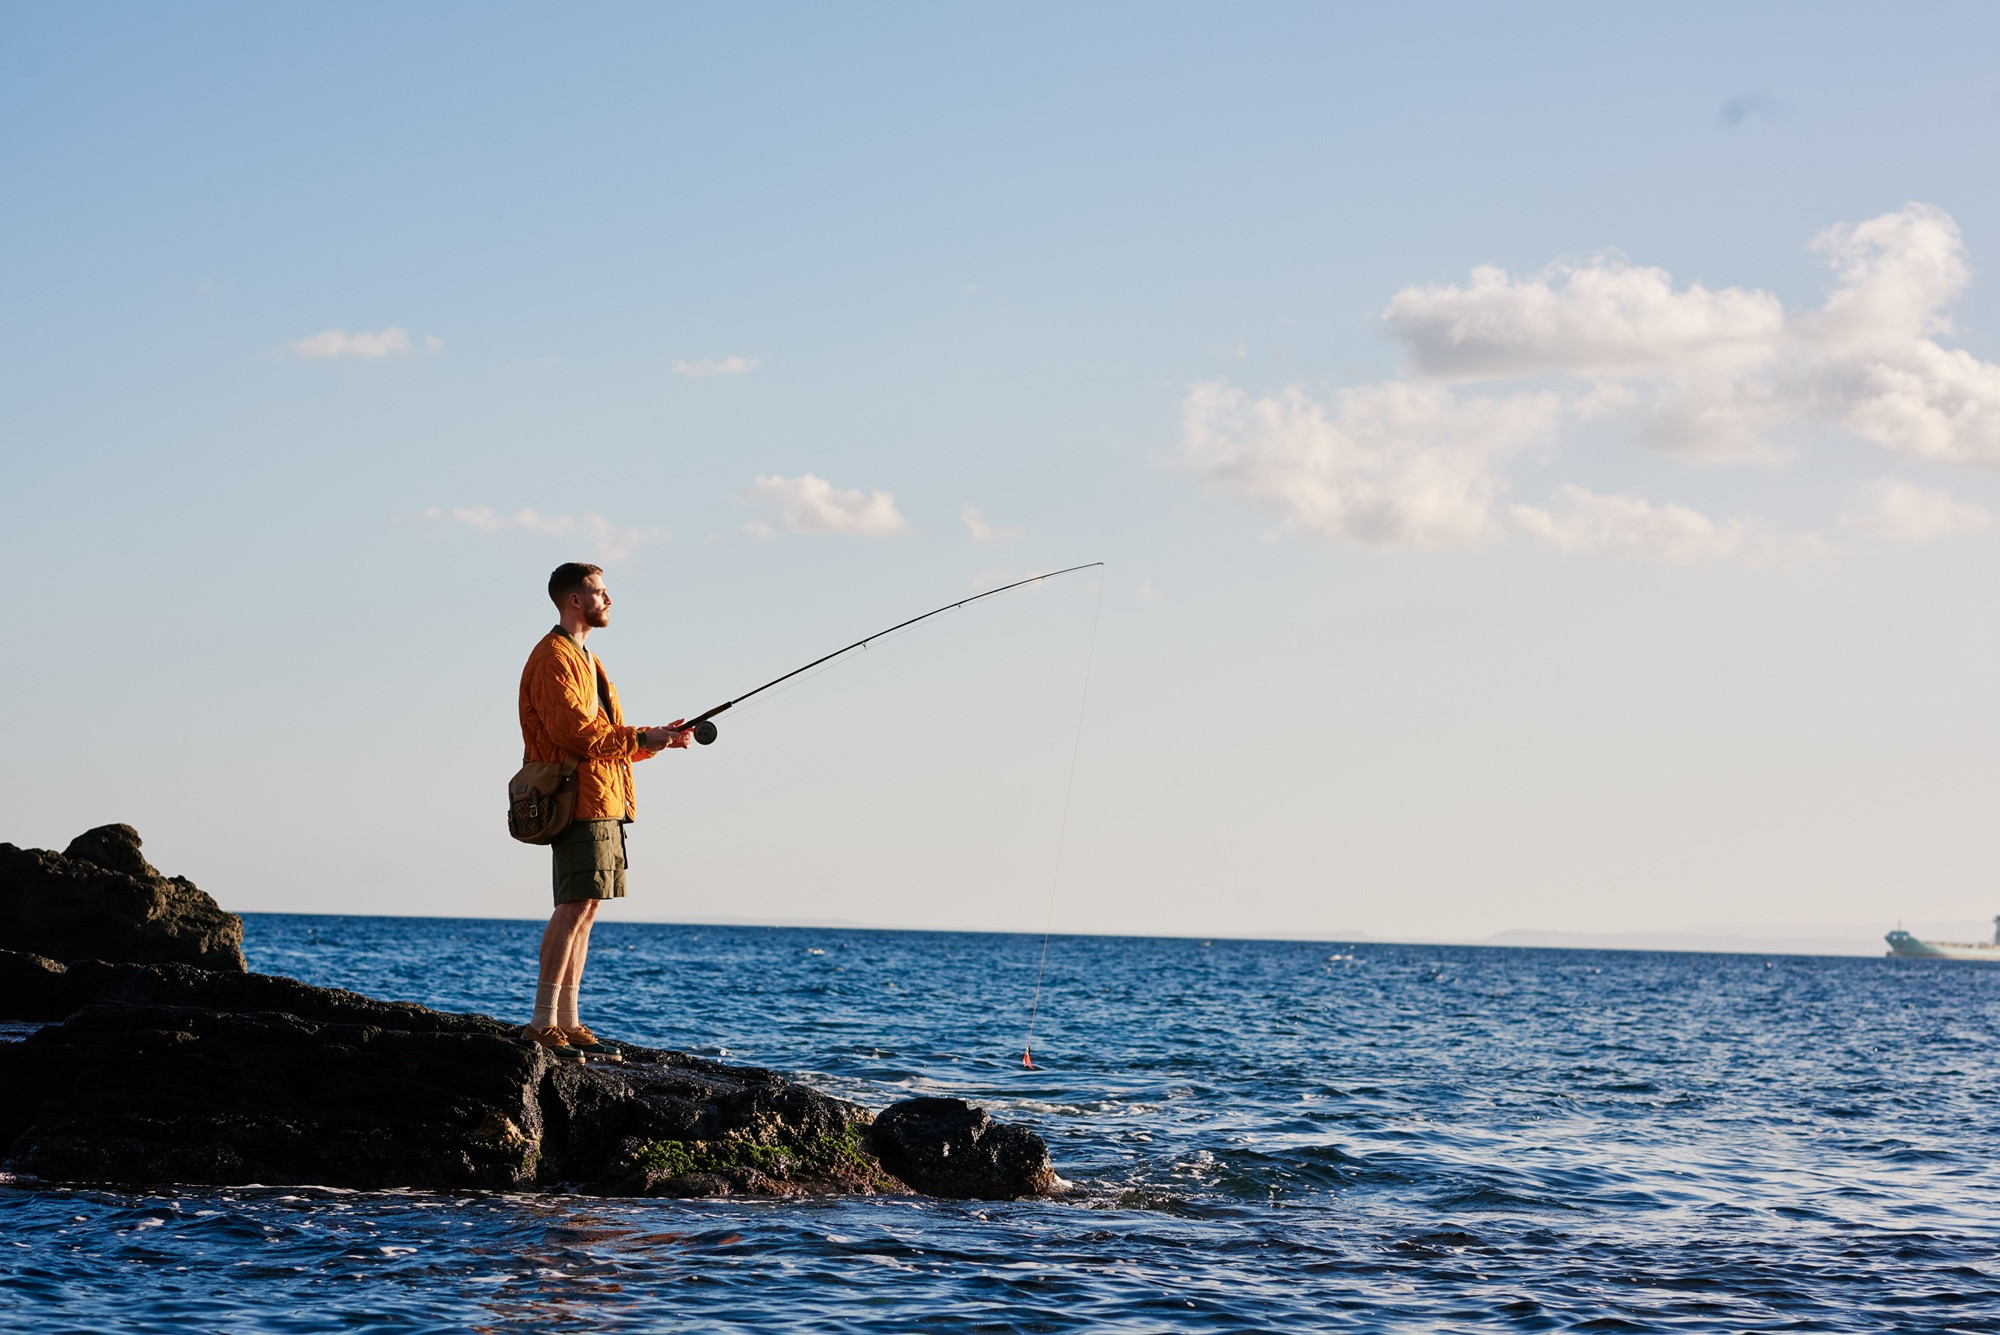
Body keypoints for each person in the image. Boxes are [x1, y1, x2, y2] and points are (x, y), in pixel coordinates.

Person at [517, 562, 692, 1060]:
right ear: (575, 600)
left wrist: (655, 741)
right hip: (577, 798)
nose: (608, 600)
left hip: (602, 796)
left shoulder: (585, 658)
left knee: (588, 908)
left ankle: (567, 1022)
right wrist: (640, 737)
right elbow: (575, 734)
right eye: (600, 592)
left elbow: (599, 739)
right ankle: (541, 1023)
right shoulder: (554, 657)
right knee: (572, 906)